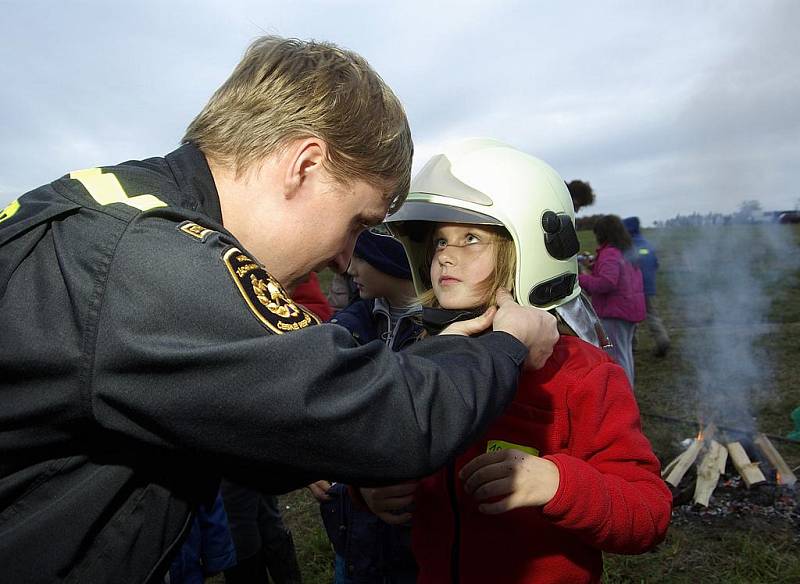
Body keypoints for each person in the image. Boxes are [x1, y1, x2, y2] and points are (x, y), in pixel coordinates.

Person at [0, 37, 560, 583]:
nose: (346, 258)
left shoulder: (116, 210)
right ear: (306, 164)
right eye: (357, 223)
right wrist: (505, 342)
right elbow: (393, 418)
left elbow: (236, 420)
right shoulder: (148, 259)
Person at [370, 139, 671, 584]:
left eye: (470, 238)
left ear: (528, 251)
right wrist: (371, 491)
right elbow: (389, 446)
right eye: (438, 242)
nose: (444, 256)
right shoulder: (427, 356)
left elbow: (648, 514)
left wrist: (556, 483)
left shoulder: (582, 376)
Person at [313, 229, 421, 584]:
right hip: (353, 536)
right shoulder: (344, 329)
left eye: (361, 256)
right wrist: (314, 457)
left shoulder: (443, 335)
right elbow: (324, 410)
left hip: (412, 546)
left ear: (391, 257)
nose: (350, 268)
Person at [579, 215, 646, 386]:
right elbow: (619, 276)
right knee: (625, 355)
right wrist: (595, 266)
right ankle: (628, 395)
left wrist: (580, 279)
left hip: (615, 313)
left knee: (617, 357)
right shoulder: (625, 251)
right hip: (628, 310)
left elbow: (607, 283)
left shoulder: (610, 253)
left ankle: (625, 400)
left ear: (603, 233)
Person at [622, 216, 670, 357]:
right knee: (652, 316)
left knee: (631, 318)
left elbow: (624, 267)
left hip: (634, 290)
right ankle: (662, 340)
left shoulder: (629, 248)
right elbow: (656, 264)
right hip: (650, 288)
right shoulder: (647, 245)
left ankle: (631, 346)